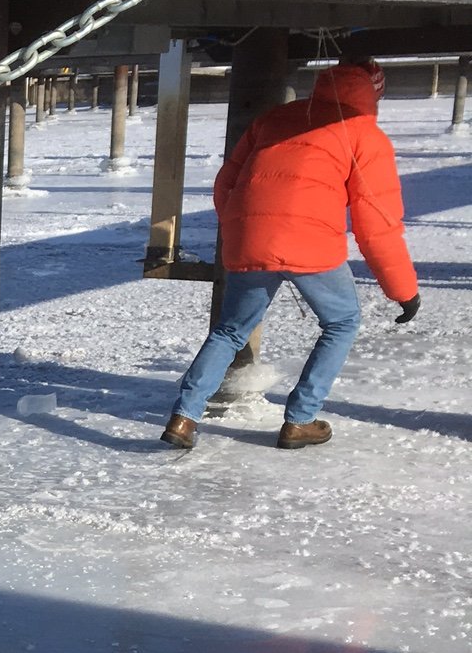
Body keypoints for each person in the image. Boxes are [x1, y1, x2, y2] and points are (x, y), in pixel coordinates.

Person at [161, 58, 419, 452]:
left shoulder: (276, 118)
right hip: (312, 245)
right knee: (342, 321)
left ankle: (184, 417)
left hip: (250, 238)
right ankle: (300, 419)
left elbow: (226, 182)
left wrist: (244, 229)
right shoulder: (365, 134)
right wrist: (403, 289)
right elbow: (377, 222)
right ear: (374, 92)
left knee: (230, 330)